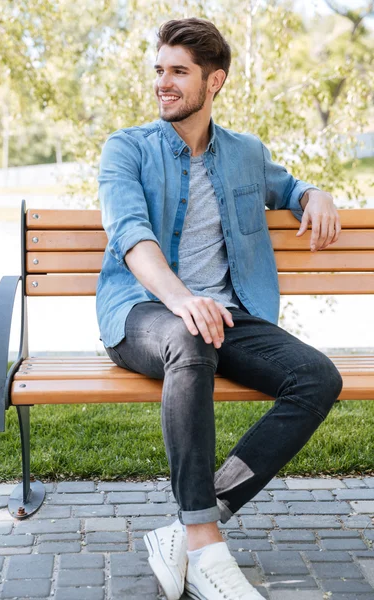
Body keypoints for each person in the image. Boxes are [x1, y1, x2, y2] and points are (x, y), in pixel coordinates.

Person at [96, 17, 343, 600]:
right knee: (189, 337)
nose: (164, 82)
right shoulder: (125, 148)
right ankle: (206, 545)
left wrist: (315, 193)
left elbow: (289, 187)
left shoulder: (245, 153)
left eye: (179, 71)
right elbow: (131, 235)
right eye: (159, 70)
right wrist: (182, 300)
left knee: (316, 376)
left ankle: (193, 520)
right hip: (143, 314)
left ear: (215, 82)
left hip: (227, 317)